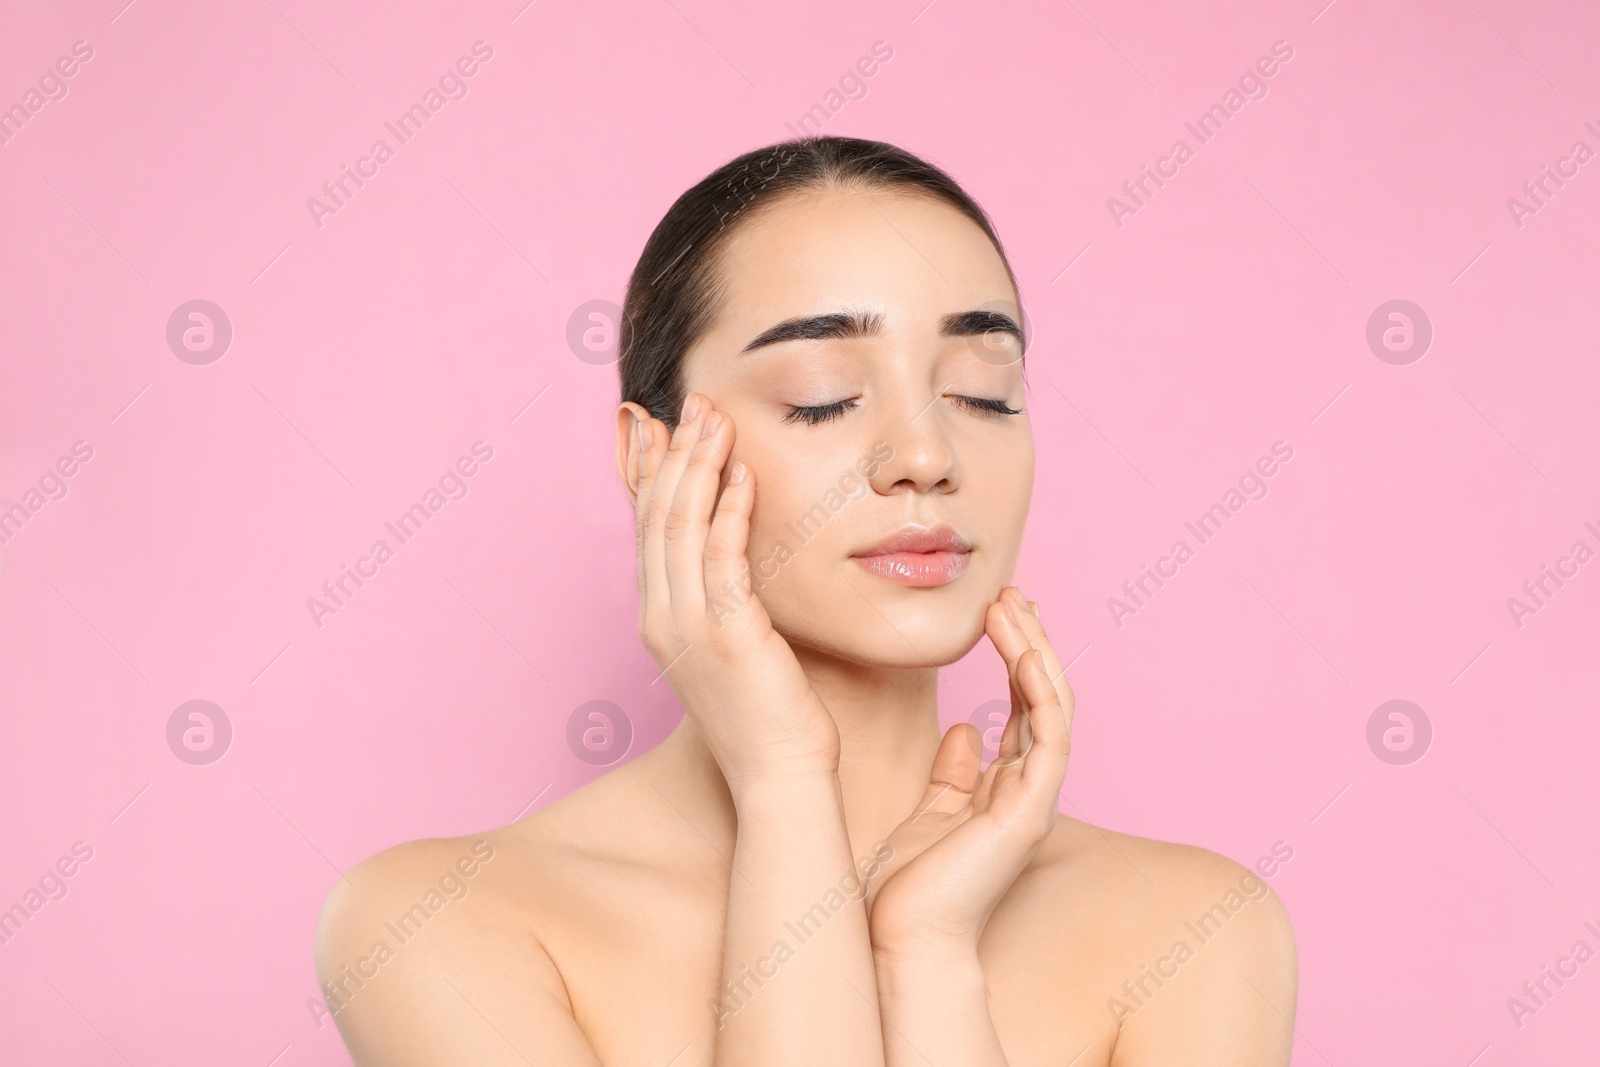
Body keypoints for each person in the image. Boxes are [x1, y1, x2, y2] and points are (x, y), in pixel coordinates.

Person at [315, 135, 1298, 1066]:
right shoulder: (437, 922)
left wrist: (925, 961)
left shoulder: (1197, 929)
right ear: (649, 454)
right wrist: (785, 778)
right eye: (823, 395)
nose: (925, 455)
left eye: (983, 391)